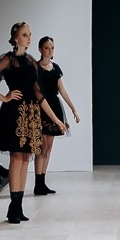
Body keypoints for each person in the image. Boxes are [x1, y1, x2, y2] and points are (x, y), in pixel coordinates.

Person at [0, 22, 66, 224]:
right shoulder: (8, 59)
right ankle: (14, 206)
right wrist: (4, 97)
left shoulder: (31, 62)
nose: (28, 38)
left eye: (29, 35)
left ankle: (18, 206)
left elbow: (39, 94)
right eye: (24, 35)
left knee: (25, 158)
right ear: (15, 38)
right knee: (16, 158)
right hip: (14, 113)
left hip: (31, 114)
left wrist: (57, 120)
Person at [35, 36, 81, 195]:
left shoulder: (55, 68)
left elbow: (62, 90)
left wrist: (73, 109)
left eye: (52, 48)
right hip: (41, 106)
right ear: (40, 49)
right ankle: (38, 182)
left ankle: (42, 181)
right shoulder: (35, 68)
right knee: (41, 147)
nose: (50, 51)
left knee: (48, 147)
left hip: (54, 105)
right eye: (47, 48)